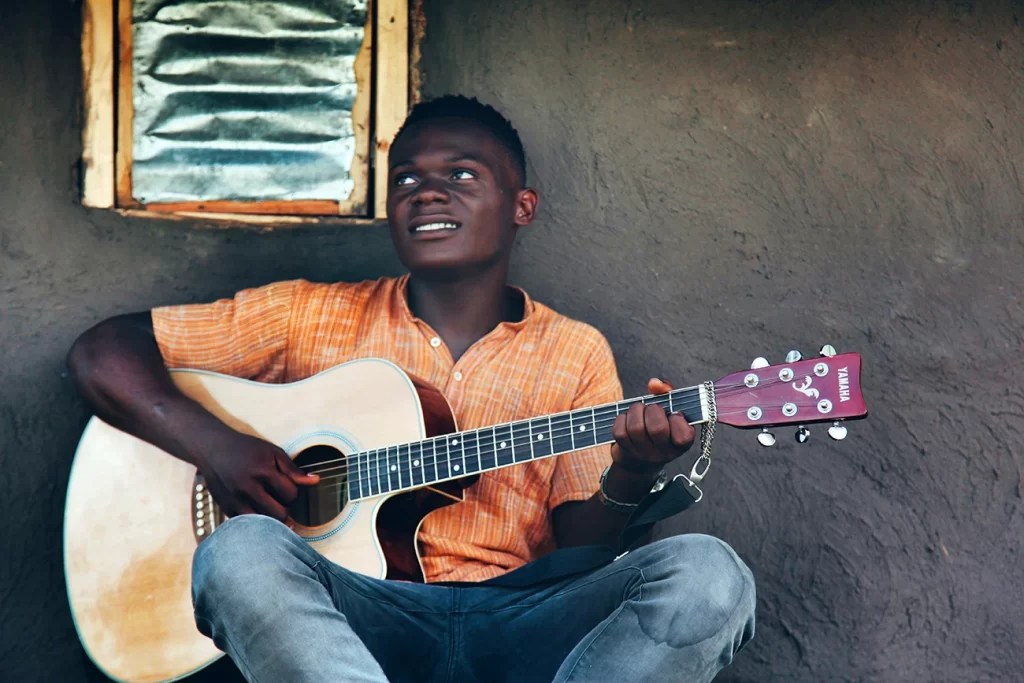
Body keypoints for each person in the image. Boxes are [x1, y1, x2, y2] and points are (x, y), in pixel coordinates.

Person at [68, 95, 755, 683]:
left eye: (460, 173)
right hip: (352, 618)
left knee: (709, 574)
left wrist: (632, 470)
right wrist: (217, 447)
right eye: (406, 179)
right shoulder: (307, 315)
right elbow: (103, 354)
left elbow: (584, 546)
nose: (426, 192)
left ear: (522, 206)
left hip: (521, 619)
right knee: (238, 550)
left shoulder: (573, 351)